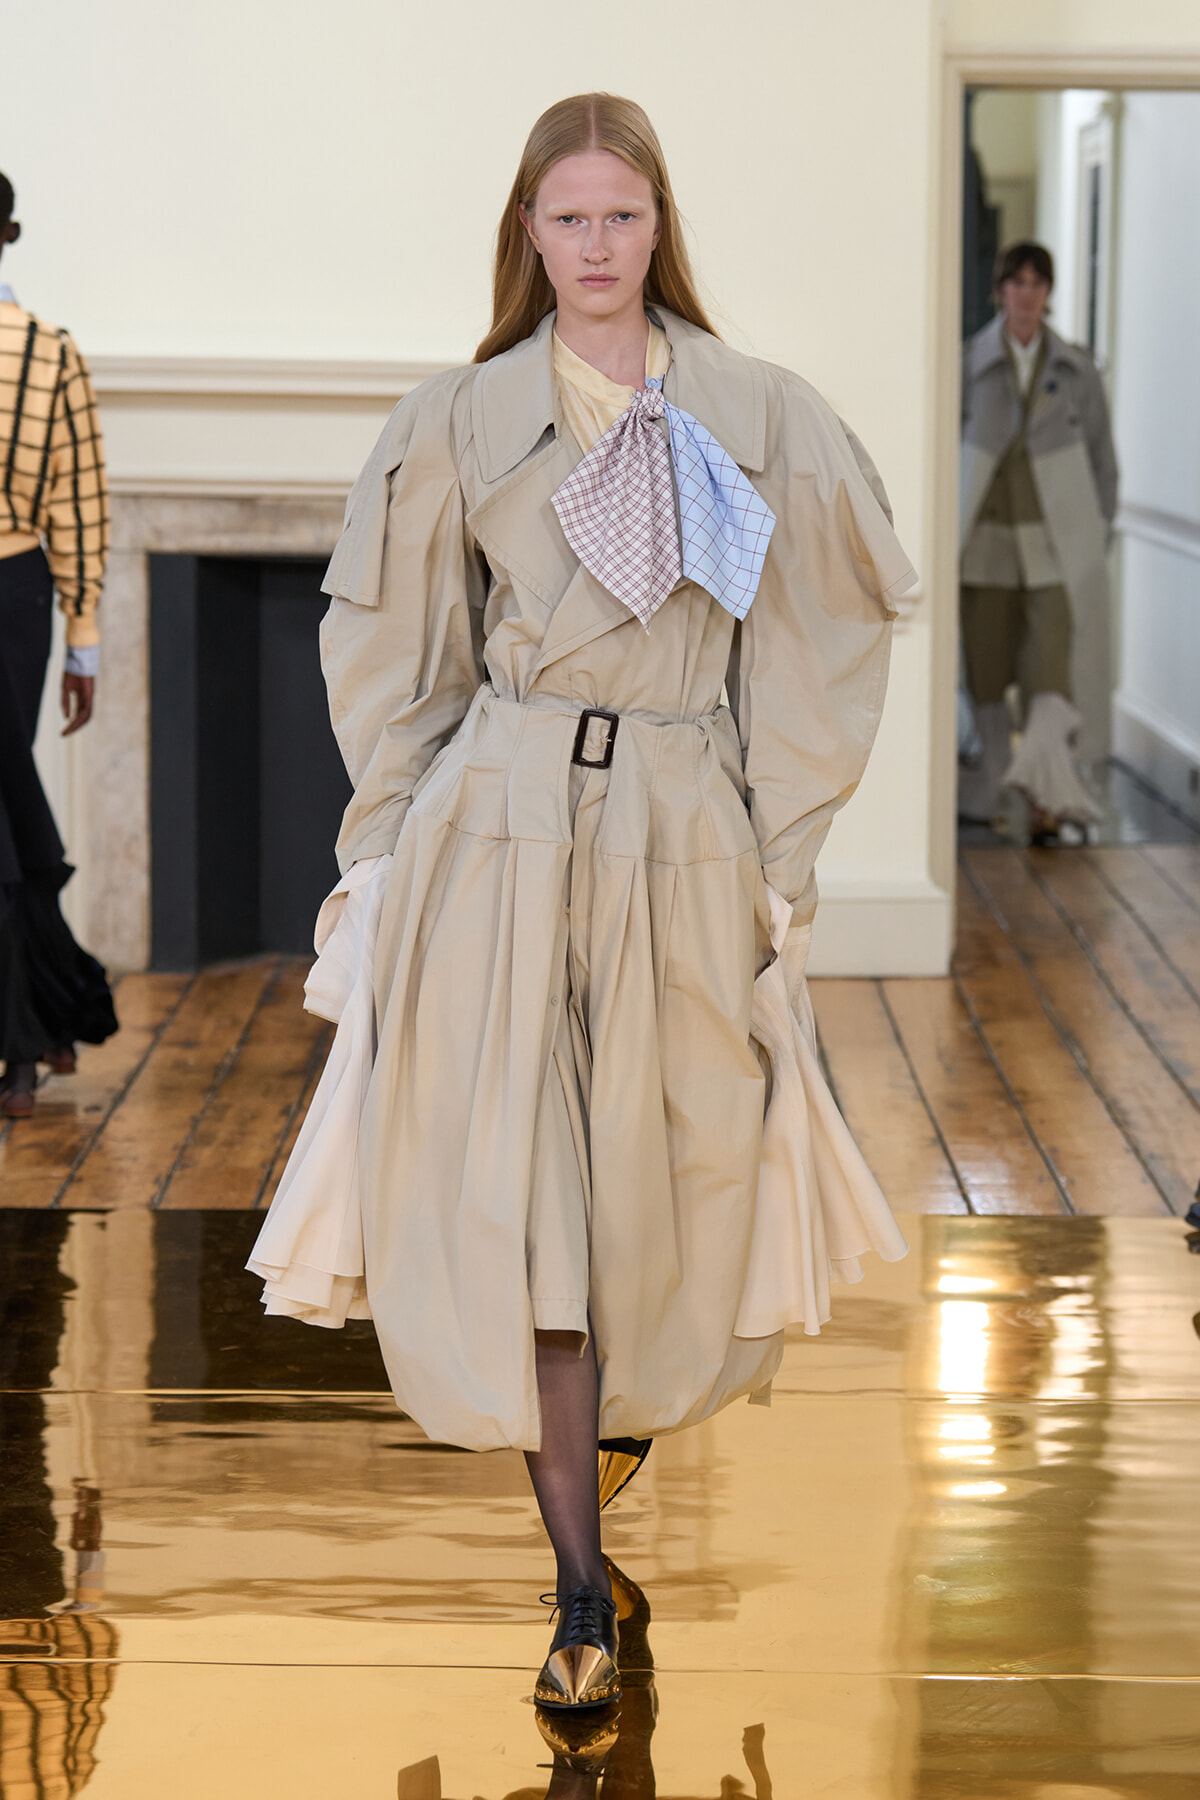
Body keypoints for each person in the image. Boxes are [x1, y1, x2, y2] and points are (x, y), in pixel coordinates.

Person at [248, 93, 912, 1723]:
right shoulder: (458, 422)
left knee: (659, 1203)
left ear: (659, 224)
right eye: (569, 218)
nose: (598, 247)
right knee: (537, 1213)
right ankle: (570, 1598)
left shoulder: (757, 413)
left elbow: (819, 646)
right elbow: (400, 666)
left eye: (623, 217)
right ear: (528, 231)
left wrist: (783, 860)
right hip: (504, 831)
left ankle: (603, 1443)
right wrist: (382, 859)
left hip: (685, 828)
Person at [0, 172, 117, 1118]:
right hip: (15, 591)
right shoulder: (49, 352)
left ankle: (31, 1036)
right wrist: (80, 640)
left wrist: (81, 637)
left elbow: (79, 504)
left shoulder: (49, 351)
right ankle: (39, 1027)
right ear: (12, 232)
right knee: (6, 796)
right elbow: (76, 505)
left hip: (16, 586)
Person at [958, 240, 1119, 843]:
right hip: (984, 556)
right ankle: (991, 793)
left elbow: (1104, 464)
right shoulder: (968, 364)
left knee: (1052, 682)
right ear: (1001, 289)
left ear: (1047, 293)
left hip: (1054, 555)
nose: (1026, 293)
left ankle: (1050, 795)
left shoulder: (1076, 372)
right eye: (1016, 281)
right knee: (987, 680)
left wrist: (1092, 535)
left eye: (1037, 282)